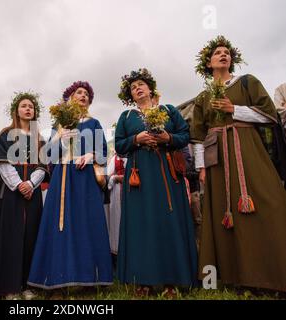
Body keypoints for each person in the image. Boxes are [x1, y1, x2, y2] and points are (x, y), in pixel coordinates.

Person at [191, 35, 286, 292]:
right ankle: (236, 277)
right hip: (217, 159)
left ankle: (272, 275)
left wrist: (235, 109)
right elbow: (198, 136)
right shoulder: (203, 97)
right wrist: (200, 168)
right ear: (208, 64)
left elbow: (270, 115)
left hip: (247, 149)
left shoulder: (247, 82)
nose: (223, 55)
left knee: (270, 201)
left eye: (227, 52)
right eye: (217, 53)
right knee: (223, 211)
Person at [115, 68, 198, 297]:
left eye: (141, 84)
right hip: (139, 176)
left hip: (167, 174)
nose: (137, 88)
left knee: (168, 222)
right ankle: (144, 281)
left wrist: (167, 138)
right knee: (142, 225)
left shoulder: (169, 110)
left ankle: (173, 281)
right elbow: (120, 146)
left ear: (150, 88)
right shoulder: (127, 117)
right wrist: (136, 139)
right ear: (130, 96)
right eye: (133, 87)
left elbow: (184, 135)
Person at [27, 81, 113, 292]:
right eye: (78, 93)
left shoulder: (94, 123)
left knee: (86, 224)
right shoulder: (61, 122)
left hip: (85, 180)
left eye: (86, 94)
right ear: (70, 98)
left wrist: (90, 155)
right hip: (63, 178)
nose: (82, 96)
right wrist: (59, 137)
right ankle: (56, 281)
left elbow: (104, 150)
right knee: (60, 226)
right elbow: (47, 155)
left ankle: (90, 281)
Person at [0, 92, 48, 300]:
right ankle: (8, 287)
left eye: (31, 106)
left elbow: (43, 166)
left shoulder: (40, 138)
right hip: (11, 191)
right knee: (10, 237)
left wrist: (31, 184)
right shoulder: (6, 134)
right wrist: (19, 184)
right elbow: (3, 162)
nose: (28, 109)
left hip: (33, 191)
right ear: (17, 110)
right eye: (24, 106)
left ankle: (27, 285)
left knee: (31, 236)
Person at [106, 149, 126, 261]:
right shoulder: (113, 159)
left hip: (132, 191)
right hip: (116, 194)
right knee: (116, 223)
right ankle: (117, 256)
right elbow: (107, 178)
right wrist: (115, 178)